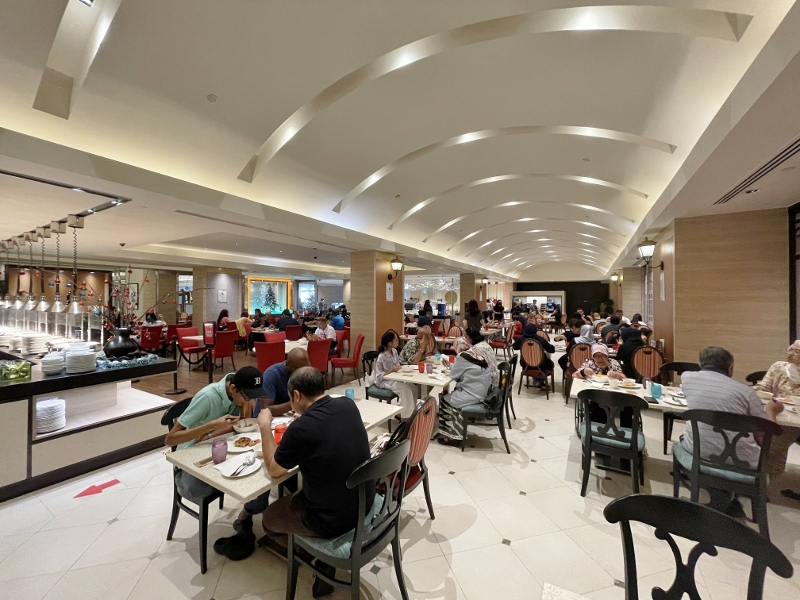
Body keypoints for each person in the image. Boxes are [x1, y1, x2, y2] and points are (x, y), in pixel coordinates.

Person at [257, 368, 373, 598]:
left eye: (291, 398)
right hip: (363, 501)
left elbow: (274, 470)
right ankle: (315, 554)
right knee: (300, 493)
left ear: (297, 396)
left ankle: (313, 554)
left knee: (269, 519)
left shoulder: (300, 430)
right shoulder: (347, 405)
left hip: (333, 520)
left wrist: (263, 426)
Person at [680, 347, 783, 515]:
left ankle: (719, 496)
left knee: (687, 437)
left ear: (701, 364)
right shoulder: (747, 392)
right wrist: (771, 411)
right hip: (742, 461)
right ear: (730, 368)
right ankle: (726, 496)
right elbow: (764, 438)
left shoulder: (687, 378)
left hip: (698, 451)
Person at [164, 366, 264, 503]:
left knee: (254, 474)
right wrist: (211, 426)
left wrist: (243, 412)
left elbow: (240, 425)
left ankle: (247, 513)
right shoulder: (207, 397)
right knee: (205, 488)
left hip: (216, 451)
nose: (249, 402)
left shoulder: (237, 393)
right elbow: (170, 439)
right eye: (247, 398)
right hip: (190, 462)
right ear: (233, 389)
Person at [755, 341, 800, 492]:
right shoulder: (779, 367)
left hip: (795, 420)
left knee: (773, 442)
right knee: (755, 433)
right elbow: (763, 388)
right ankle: (758, 476)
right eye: (790, 349)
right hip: (774, 413)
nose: (791, 353)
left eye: (797, 351)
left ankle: (761, 481)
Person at [437, 346, 493, 446]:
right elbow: (467, 370)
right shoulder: (479, 354)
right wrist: (451, 365)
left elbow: (454, 376)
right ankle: (454, 430)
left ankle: (452, 436)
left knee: (444, 399)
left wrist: (452, 365)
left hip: (474, 395)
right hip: (484, 393)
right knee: (453, 394)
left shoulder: (462, 357)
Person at [371, 330, 416, 418]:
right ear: (390, 343)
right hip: (385, 381)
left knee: (413, 388)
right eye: (395, 340)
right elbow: (379, 376)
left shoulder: (394, 351)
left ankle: (411, 412)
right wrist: (392, 370)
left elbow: (397, 366)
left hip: (395, 378)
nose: (397, 341)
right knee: (405, 389)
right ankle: (405, 417)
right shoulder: (382, 356)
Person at [255, 348, 310, 417]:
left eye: (305, 367)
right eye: (297, 368)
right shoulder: (271, 375)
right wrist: (294, 403)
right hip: (268, 419)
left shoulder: (306, 369)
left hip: (289, 416)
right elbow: (265, 409)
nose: (302, 372)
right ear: (287, 364)